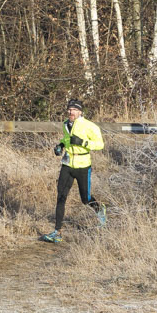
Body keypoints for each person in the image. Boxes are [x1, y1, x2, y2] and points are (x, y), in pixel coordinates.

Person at [42, 99, 105, 243]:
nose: (71, 112)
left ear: (80, 112)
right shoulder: (65, 124)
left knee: (85, 199)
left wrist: (83, 143)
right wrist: (60, 145)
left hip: (83, 165)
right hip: (68, 164)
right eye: (70, 110)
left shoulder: (90, 126)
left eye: (75, 110)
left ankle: (100, 209)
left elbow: (100, 144)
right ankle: (57, 232)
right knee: (61, 196)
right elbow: (66, 138)